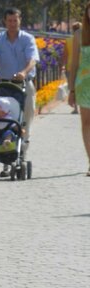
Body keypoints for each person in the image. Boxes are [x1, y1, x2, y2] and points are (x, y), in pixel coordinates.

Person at [0, 7, 39, 176]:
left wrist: (23, 72)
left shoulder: (28, 39)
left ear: (19, 21)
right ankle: (5, 160)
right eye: (9, 21)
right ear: (5, 21)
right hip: (4, 83)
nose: (12, 24)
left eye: (15, 20)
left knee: (25, 120)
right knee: (3, 120)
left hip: (24, 83)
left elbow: (33, 60)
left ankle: (21, 153)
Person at [67, 2, 90, 176]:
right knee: (86, 123)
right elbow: (74, 62)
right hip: (84, 84)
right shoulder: (79, 35)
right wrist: (72, 89)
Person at [63, 22, 82, 114]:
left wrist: (63, 66)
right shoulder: (83, 38)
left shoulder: (69, 40)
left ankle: (75, 108)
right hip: (82, 66)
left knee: (73, 88)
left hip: (70, 67)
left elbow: (65, 55)